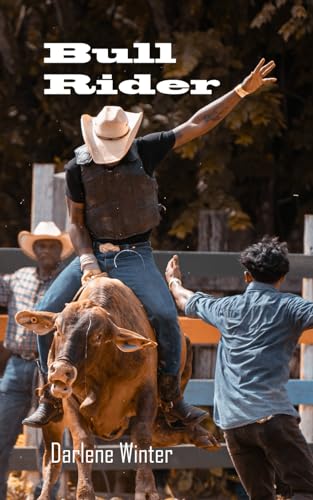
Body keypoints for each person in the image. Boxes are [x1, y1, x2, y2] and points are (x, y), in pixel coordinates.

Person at [23, 58, 277, 429]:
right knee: (47, 313)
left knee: (164, 317)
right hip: (91, 253)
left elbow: (198, 123)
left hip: (134, 255)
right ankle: (50, 394)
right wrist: (88, 261)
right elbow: (76, 224)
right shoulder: (78, 167)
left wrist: (240, 91)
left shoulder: (147, 150)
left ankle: (171, 398)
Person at [165, 237, 313, 500]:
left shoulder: (226, 308)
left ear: (246, 276)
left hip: (234, 425)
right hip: (273, 420)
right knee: (305, 488)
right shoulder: (290, 308)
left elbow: (184, 299)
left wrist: (174, 280)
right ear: (282, 278)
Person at [0, 221, 73, 500]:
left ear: (59, 251)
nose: (45, 250)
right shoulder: (18, 277)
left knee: (53, 440)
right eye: (40, 245)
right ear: (34, 250)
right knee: (2, 434)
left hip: (51, 368)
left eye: (52, 245)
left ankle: (46, 495)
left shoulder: (67, 284)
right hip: (17, 365)